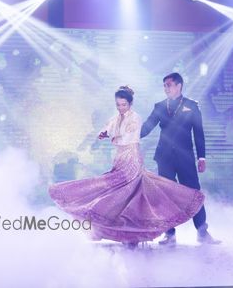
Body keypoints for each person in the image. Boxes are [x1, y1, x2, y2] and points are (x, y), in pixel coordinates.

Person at [49, 86, 205, 246]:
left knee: (130, 192)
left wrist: (114, 138)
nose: (121, 107)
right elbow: (108, 128)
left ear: (130, 103)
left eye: (124, 105)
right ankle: (128, 234)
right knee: (119, 194)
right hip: (120, 157)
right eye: (118, 105)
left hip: (132, 156)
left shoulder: (135, 118)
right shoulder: (116, 117)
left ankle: (195, 231)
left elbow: (130, 138)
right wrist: (103, 134)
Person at [140, 72, 220, 245]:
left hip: (185, 158)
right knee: (165, 195)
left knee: (193, 193)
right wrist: (128, 133)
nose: (166, 88)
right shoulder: (160, 106)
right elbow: (146, 128)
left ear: (179, 86)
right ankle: (169, 234)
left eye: (168, 85)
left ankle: (202, 233)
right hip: (164, 157)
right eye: (164, 85)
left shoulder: (192, 106)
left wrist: (202, 157)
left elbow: (198, 133)